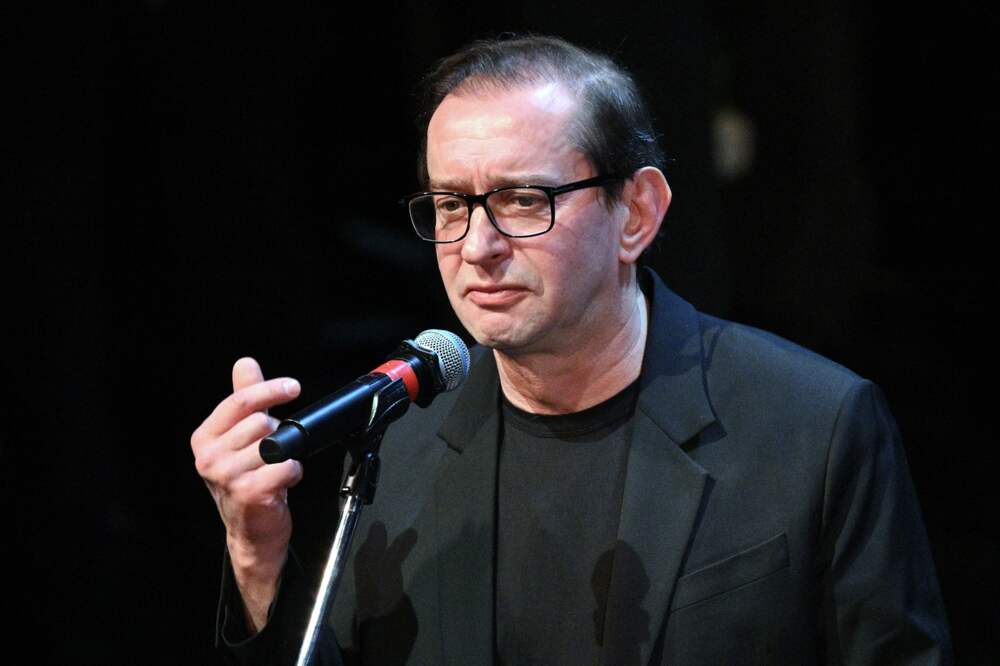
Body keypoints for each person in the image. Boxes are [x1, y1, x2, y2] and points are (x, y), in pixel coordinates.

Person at [192, 35, 952, 665]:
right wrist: (257, 557)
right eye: (452, 205)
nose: (477, 247)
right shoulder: (401, 441)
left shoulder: (813, 424)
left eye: (523, 200)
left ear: (637, 213)